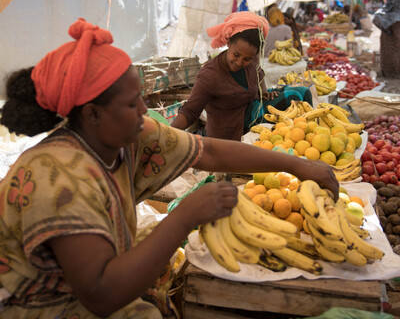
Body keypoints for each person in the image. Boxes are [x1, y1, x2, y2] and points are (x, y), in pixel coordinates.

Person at [0, 18, 338, 318]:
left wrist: (298, 165)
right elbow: (100, 295)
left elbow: (209, 151)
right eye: (133, 103)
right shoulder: (56, 179)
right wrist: (184, 217)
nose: (145, 109)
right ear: (91, 114)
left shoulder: (130, 134)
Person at [171, 12, 312, 141]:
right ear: (228, 43)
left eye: (247, 59)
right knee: (293, 96)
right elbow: (190, 112)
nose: (239, 62)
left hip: (252, 109)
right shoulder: (210, 75)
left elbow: (259, 72)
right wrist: (167, 133)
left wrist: (263, 91)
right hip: (229, 132)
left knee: (303, 92)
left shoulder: (253, 59)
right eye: (236, 55)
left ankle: (308, 136)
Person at [373, 0, 400, 78]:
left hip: (396, 19)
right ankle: (390, 72)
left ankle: (394, 73)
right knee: (389, 46)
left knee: (394, 47)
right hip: (392, 17)